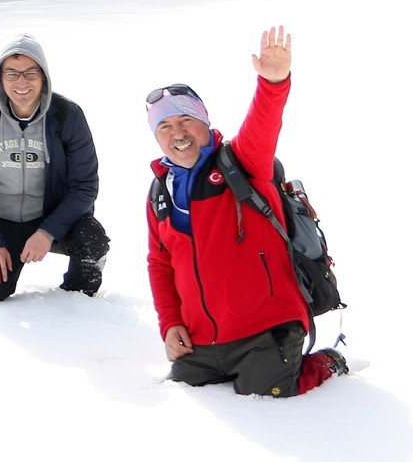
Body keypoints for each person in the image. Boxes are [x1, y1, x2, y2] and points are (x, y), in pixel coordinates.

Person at [145, 26, 347, 397]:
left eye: (186, 120)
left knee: (271, 392)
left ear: (205, 122)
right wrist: (171, 324)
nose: (178, 132)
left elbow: (263, 125)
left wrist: (273, 83)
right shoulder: (161, 191)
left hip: (265, 327)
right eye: (165, 125)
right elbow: (160, 264)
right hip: (202, 338)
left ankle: (326, 362)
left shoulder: (243, 162)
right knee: (182, 394)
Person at [0, 34, 110, 303]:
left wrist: (47, 232)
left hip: (53, 215)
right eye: (12, 74)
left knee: (91, 239)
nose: (22, 82)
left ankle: (76, 297)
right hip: (3, 219)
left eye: (30, 73)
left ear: (43, 76)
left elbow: (85, 186)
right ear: (1, 78)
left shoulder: (67, 115)